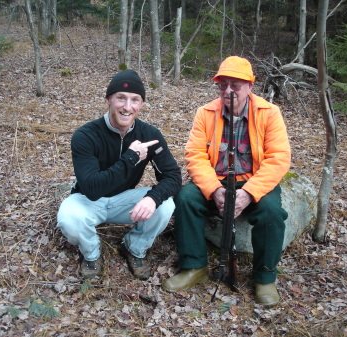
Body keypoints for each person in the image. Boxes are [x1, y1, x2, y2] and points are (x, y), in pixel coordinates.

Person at [162, 56, 291, 306]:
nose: (228, 91)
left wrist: (249, 194)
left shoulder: (269, 113)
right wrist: (214, 191)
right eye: (223, 85)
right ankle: (194, 266)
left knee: (272, 212)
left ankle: (264, 277)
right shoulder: (205, 113)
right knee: (186, 198)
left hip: (254, 180)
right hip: (218, 179)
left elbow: (278, 158)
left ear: (250, 87)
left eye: (236, 85)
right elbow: (195, 155)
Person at [57, 69, 182, 280]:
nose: (127, 106)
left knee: (165, 204)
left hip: (124, 202)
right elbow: (92, 188)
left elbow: (173, 177)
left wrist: (153, 198)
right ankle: (91, 253)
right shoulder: (86, 135)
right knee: (69, 218)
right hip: (88, 200)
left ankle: (134, 247)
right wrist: (132, 157)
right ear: (109, 99)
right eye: (121, 98)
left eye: (135, 100)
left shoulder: (150, 135)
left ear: (141, 104)